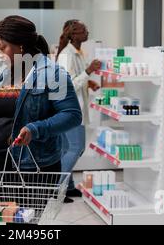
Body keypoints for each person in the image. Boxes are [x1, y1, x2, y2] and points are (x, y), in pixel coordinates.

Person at [0, 15, 82, 182]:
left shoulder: (53, 73)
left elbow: (72, 115)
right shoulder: (2, 76)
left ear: (21, 46)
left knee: (31, 210)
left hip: (36, 167)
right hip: (2, 165)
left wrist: (35, 129)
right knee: (8, 209)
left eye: (3, 48)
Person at [56, 20, 101, 202]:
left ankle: (68, 186)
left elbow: (76, 78)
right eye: (83, 30)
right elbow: (68, 86)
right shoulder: (67, 55)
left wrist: (88, 82)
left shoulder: (77, 53)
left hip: (73, 108)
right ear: (73, 34)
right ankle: (57, 189)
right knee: (76, 148)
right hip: (70, 109)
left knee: (67, 149)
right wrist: (89, 72)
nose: (86, 32)